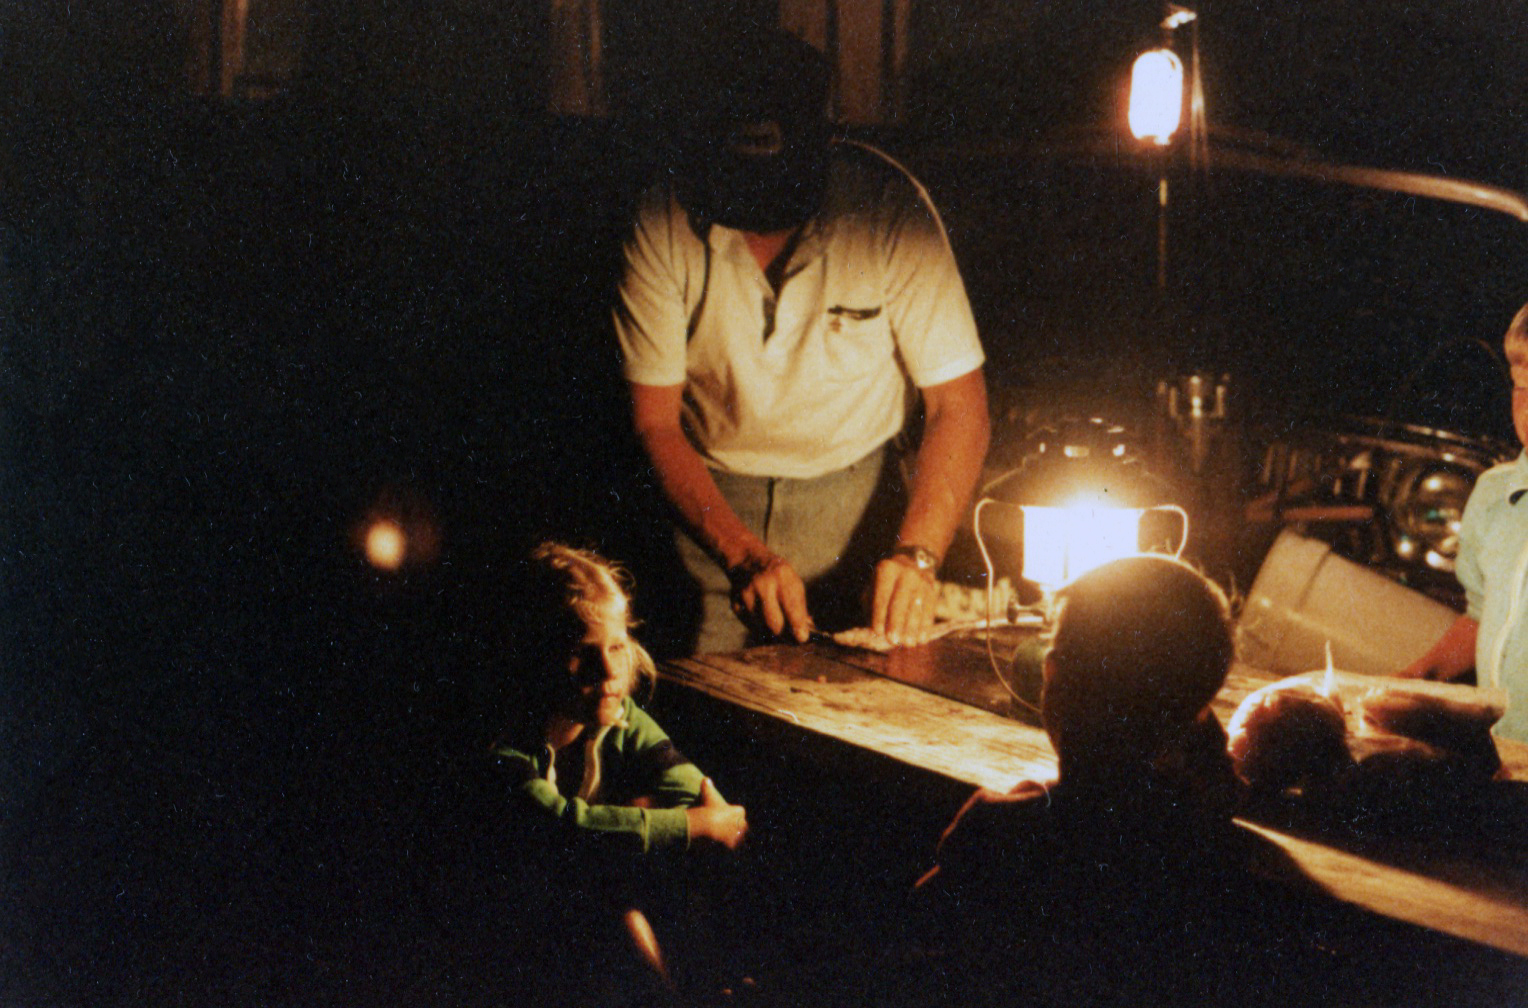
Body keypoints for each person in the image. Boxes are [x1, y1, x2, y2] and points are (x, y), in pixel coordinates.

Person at [615, 28, 990, 654]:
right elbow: (654, 422)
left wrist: (918, 556)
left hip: (860, 508)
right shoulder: (662, 217)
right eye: (743, 190)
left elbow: (959, 406)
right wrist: (742, 554)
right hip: (709, 512)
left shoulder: (889, 211)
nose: (764, 218)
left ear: (826, 144)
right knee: (707, 716)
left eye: (780, 190)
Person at [908, 556, 1278, 1005]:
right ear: (1201, 709)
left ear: (1051, 673)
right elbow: (1218, 774)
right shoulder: (1196, 831)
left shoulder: (1001, 829)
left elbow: (916, 933)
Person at [488, 542, 748, 996]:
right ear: (534, 654)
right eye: (582, 651)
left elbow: (688, 784)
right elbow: (567, 828)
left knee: (659, 891)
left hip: (580, 891)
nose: (607, 669)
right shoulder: (508, 747)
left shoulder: (621, 717)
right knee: (619, 913)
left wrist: (716, 816)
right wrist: (695, 824)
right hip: (508, 923)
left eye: (616, 646)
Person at [1403, 301, 1528, 743]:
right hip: (1502, 756)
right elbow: (1482, 615)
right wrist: (1420, 675)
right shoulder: (1494, 495)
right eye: (1520, 387)